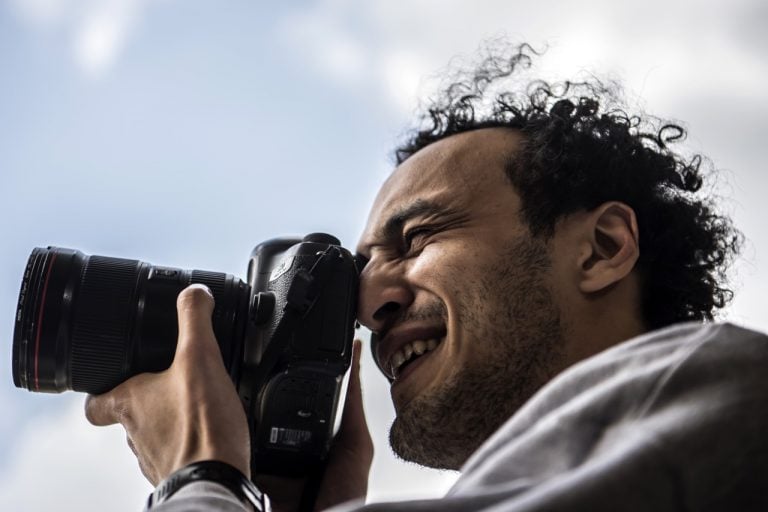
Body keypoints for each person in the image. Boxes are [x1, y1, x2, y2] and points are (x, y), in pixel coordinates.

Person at [85, 43, 768, 511]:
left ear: (601, 247)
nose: (368, 304)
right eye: (362, 274)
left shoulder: (730, 391)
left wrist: (203, 470)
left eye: (415, 239)